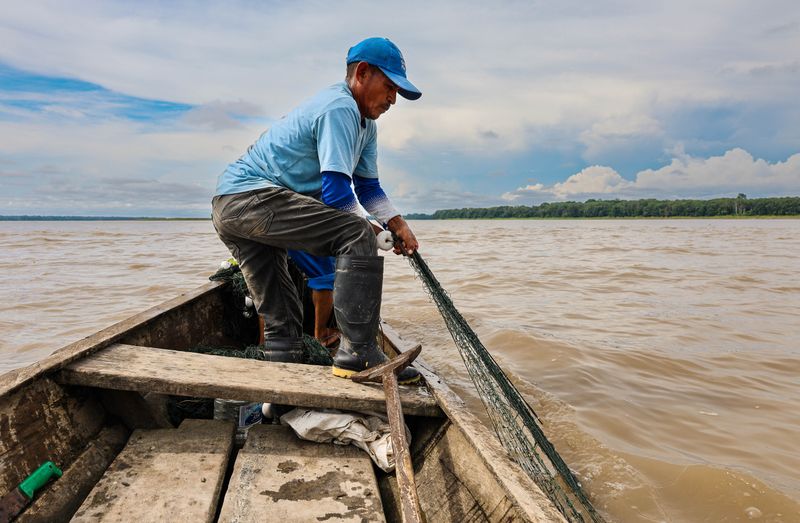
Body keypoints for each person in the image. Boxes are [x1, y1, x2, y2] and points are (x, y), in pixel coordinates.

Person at [212, 37, 422, 384]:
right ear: (362, 73)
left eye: (397, 92)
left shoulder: (366, 126)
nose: (393, 99)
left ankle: (277, 396)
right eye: (389, 87)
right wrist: (372, 231)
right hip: (251, 199)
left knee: (282, 317)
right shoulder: (339, 108)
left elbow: (368, 188)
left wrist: (397, 224)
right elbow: (337, 193)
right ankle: (358, 352)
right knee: (356, 233)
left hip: (230, 206)